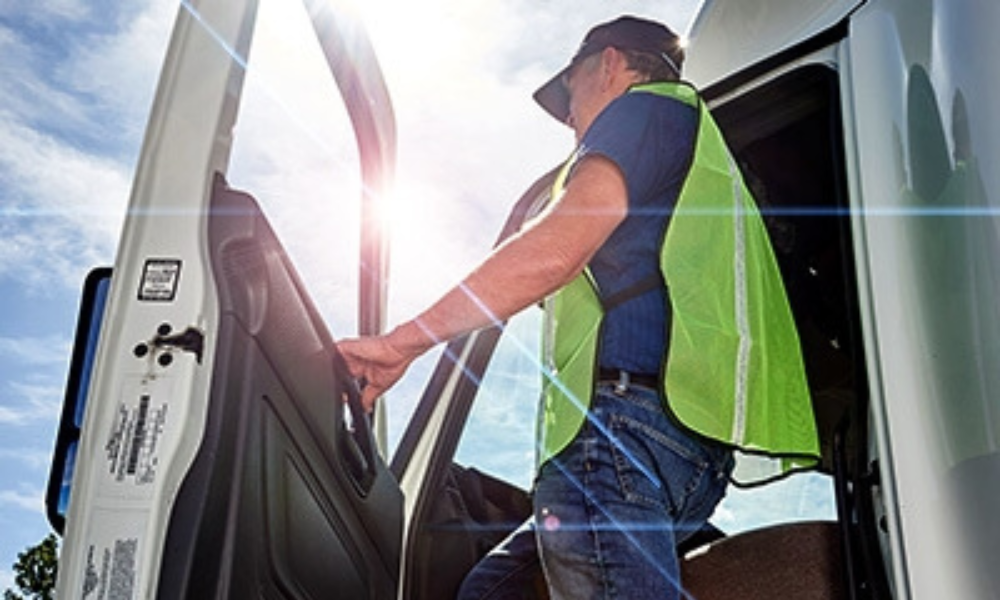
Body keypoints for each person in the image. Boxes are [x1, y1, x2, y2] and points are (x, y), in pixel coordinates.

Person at [338, 15, 819, 600]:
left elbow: (558, 246)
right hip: (685, 450)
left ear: (610, 63)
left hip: (625, 433)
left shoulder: (646, 110)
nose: (569, 116)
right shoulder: (699, 161)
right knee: (494, 592)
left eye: (569, 92)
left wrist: (402, 342)